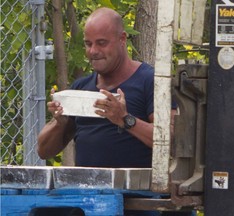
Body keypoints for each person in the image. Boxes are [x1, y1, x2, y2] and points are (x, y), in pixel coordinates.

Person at [37, 7, 177, 168]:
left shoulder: (151, 82)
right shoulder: (81, 88)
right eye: (88, 44)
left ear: (122, 39)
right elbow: (43, 151)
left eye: (101, 43)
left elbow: (172, 141)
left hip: (135, 192)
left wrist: (124, 119)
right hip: (86, 191)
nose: (93, 51)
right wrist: (59, 123)